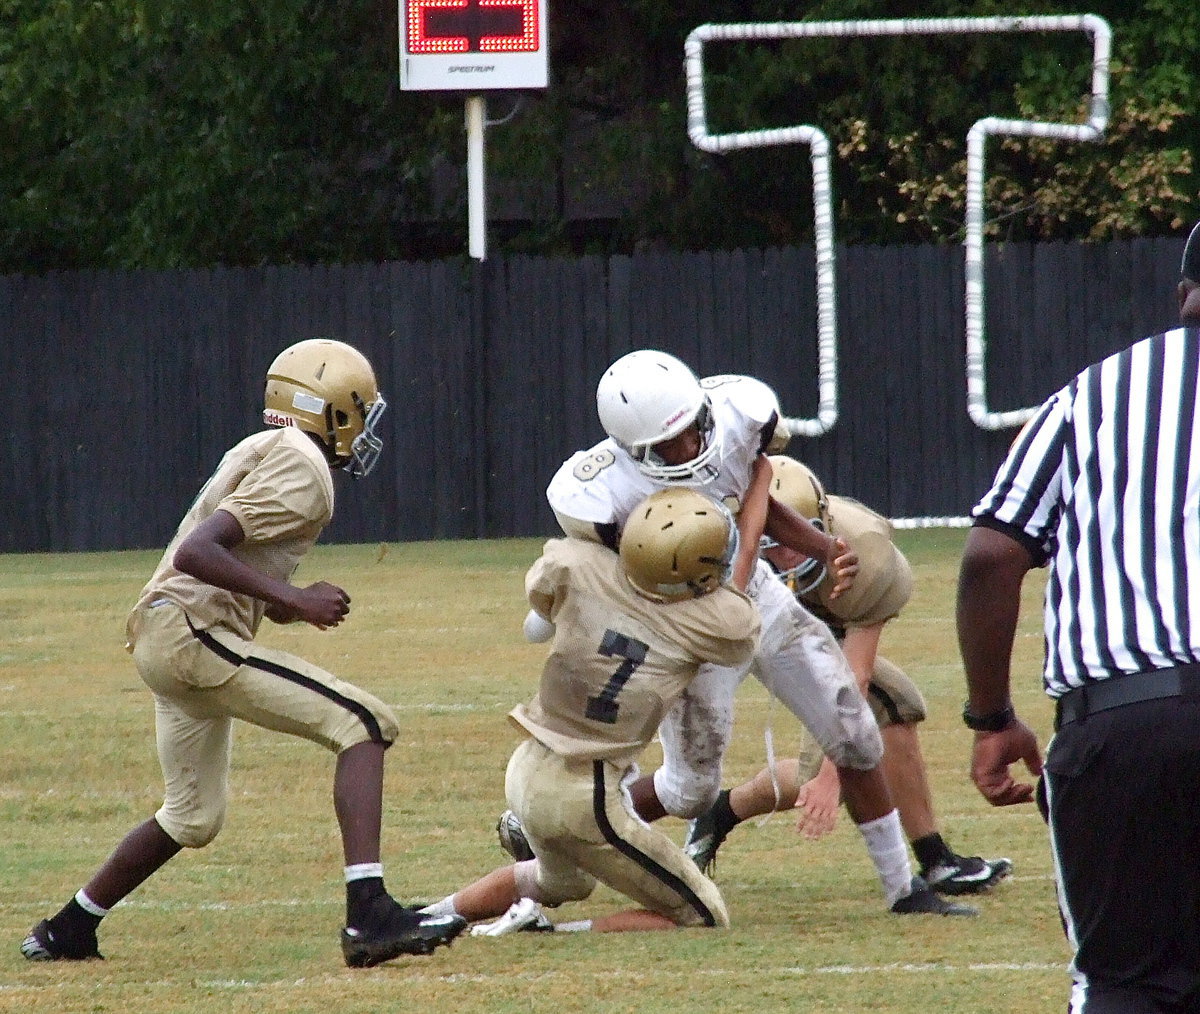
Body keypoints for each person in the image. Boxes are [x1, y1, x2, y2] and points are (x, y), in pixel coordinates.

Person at [19, 338, 466, 969]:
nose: (365, 429)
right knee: (365, 723)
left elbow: (228, 557)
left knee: (193, 816)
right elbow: (198, 552)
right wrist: (296, 597)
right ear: (330, 411)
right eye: (359, 411)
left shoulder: (270, 447)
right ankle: (370, 916)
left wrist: (282, 605)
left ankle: (67, 929)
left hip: (164, 632)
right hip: (188, 634)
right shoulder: (305, 465)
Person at [502, 353, 972, 916]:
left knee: (854, 729)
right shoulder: (596, 495)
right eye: (666, 444)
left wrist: (823, 546)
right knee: (689, 791)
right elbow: (603, 575)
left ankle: (904, 888)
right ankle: (554, 826)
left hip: (760, 602)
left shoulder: (740, 414)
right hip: (687, 627)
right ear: (632, 449)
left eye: (690, 430)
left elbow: (761, 501)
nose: (686, 449)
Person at [956, 221, 1200, 1012]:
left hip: (1129, 725)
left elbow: (993, 554)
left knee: (1126, 983)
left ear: (1183, 297)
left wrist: (992, 716)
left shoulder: (1095, 391)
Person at [419, 488, 759, 935]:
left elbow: (543, 598)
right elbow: (737, 627)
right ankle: (548, 931)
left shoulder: (576, 564)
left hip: (527, 768)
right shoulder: (714, 621)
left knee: (559, 881)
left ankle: (423, 917)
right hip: (586, 793)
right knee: (705, 913)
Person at [685, 455, 1012, 896]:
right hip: (766, 630)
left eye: (793, 536)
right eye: (771, 539)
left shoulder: (866, 559)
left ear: (821, 524)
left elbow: (852, 679)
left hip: (839, 626)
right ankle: (715, 813)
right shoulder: (735, 551)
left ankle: (935, 859)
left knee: (892, 710)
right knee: (827, 767)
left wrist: (829, 777)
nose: (783, 554)